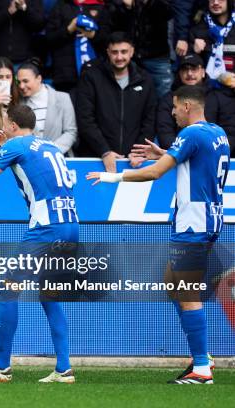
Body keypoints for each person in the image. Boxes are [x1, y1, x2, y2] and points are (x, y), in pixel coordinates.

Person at [87, 85, 227, 385]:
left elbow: (153, 174)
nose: (173, 113)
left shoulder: (189, 135)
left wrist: (112, 176)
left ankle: (202, 367)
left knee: (186, 292)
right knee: (172, 281)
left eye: (175, 107)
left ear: (187, 106)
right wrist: (165, 153)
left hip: (193, 223)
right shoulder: (217, 133)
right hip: (209, 220)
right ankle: (202, 355)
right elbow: (197, 164)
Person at [0, 104, 78, 383]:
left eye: (5, 121)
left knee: (9, 286)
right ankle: (63, 368)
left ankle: (1, 365)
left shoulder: (17, 146)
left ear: (11, 125)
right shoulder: (51, 147)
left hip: (46, 228)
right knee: (50, 296)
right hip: (70, 225)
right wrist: (7, 147)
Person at [75, 31, 156, 172]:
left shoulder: (146, 79)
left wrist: (137, 152)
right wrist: (104, 151)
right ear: (108, 52)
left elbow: (149, 121)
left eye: (124, 52)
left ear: (131, 52)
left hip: (134, 161)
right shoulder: (91, 77)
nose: (119, 57)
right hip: (96, 159)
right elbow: (85, 119)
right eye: (115, 52)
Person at [109, 0, 174, 97]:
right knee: (133, 97)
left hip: (158, 56)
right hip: (131, 57)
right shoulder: (120, 4)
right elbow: (117, 29)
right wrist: (128, 9)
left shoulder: (160, 4)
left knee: (165, 96)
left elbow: (167, 12)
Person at [45, 0, 111, 93]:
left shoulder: (100, 6)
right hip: (65, 74)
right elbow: (49, 38)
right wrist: (69, 29)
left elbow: (108, 40)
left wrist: (93, 35)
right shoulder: (60, 6)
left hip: (95, 72)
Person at [16, 60, 77, 155]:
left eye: (25, 81)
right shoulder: (18, 104)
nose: (21, 86)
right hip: (31, 160)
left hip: (60, 158)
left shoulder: (63, 98)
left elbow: (71, 132)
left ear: (39, 78)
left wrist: (49, 151)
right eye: (18, 82)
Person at [0, 0, 45, 80]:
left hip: (22, 61)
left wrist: (24, 8)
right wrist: (8, 11)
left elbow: (39, 25)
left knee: (23, 91)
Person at [156, 53, 210, 149]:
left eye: (194, 69)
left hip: (212, 155)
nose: (189, 73)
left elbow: (229, 131)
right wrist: (186, 153)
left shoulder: (217, 96)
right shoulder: (168, 99)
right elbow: (165, 133)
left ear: (203, 72)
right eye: (185, 69)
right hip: (178, 157)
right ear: (179, 73)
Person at [190, 0, 235, 83]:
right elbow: (188, 67)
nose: (216, 2)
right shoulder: (198, 30)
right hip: (208, 88)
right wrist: (194, 51)